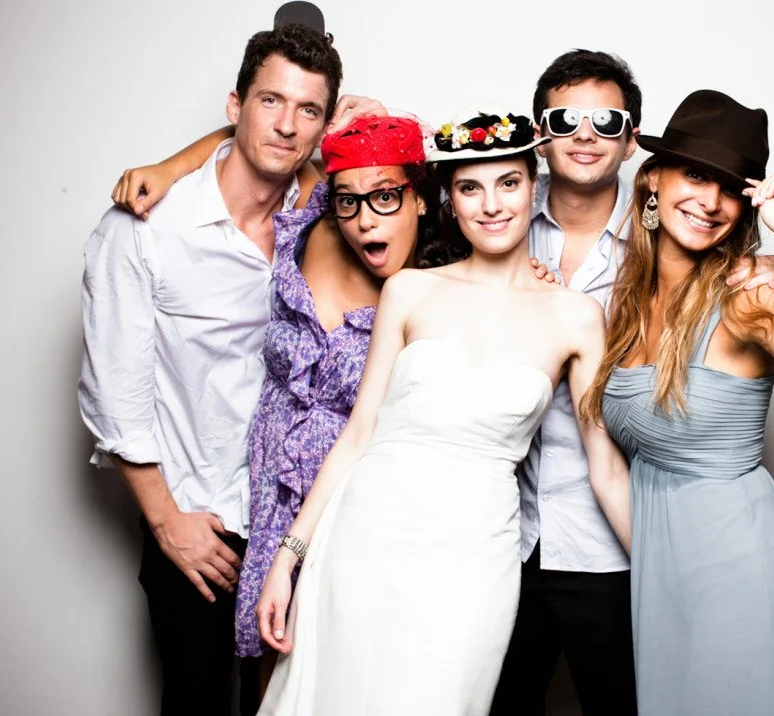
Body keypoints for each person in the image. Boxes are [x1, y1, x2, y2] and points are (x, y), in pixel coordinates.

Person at [252, 106, 630, 716]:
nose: (492, 204)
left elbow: (606, 469)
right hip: (367, 536)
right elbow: (357, 435)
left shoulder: (577, 317)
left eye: (508, 183)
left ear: (534, 187)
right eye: (470, 187)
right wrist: (287, 558)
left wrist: (662, 579)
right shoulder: (411, 289)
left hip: (477, 553)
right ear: (448, 200)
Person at [493, 49, 774, 716]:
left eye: (605, 120)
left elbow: (745, 313)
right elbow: (377, 199)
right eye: (563, 119)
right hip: (503, 541)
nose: (584, 135)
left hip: (618, 550)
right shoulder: (494, 221)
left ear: (633, 141)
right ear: (538, 134)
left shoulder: (671, 254)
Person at [583, 89, 774, 715]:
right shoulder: (628, 306)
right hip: (664, 574)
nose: (711, 201)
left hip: (742, 568)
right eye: (695, 174)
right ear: (653, 182)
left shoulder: (748, 297)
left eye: (729, 187)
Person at [78, 24, 341, 716]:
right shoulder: (143, 228)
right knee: (196, 702)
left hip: (296, 521)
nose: (286, 125)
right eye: (270, 101)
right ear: (235, 105)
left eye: (308, 110)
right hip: (199, 523)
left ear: (323, 124)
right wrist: (167, 524)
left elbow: (405, 196)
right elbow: (115, 394)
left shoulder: (321, 221)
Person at [235, 115, 459, 678]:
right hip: (272, 496)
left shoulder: (450, 286)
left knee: (348, 676)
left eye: (386, 197)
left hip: (362, 504)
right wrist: (166, 170)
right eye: (349, 202)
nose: (364, 220)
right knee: (271, 677)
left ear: (423, 197)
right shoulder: (315, 220)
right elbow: (254, 140)